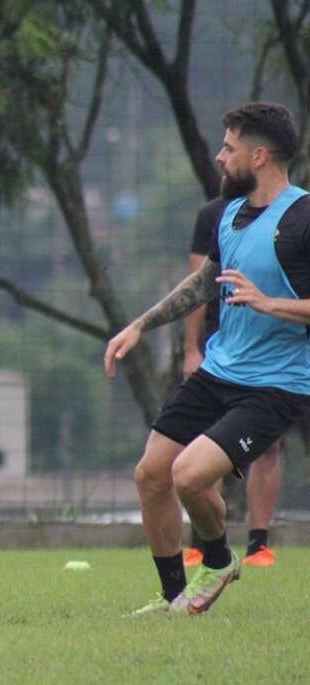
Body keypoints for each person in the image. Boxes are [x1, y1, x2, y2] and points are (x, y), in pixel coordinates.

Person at [105, 101, 310, 616]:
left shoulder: (304, 218)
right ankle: (172, 596)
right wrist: (140, 324)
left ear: (259, 156)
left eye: (229, 147)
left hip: (274, 385)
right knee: (151, 473)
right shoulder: (229, 216)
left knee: (189, 476)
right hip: (219, 371)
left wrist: (270, 303)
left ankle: (218, 560)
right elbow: (204, 283)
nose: (220, 157)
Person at [182, 198, 281, 568]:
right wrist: (191, 349)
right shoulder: (213, 214)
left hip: (271, 357)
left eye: (230, 148)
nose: (223, 158)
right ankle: (204, 545)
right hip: (219, 354)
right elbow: (196, 288)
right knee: (205, 452)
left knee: (269, 448)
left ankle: (259, 544)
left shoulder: (293, 215)